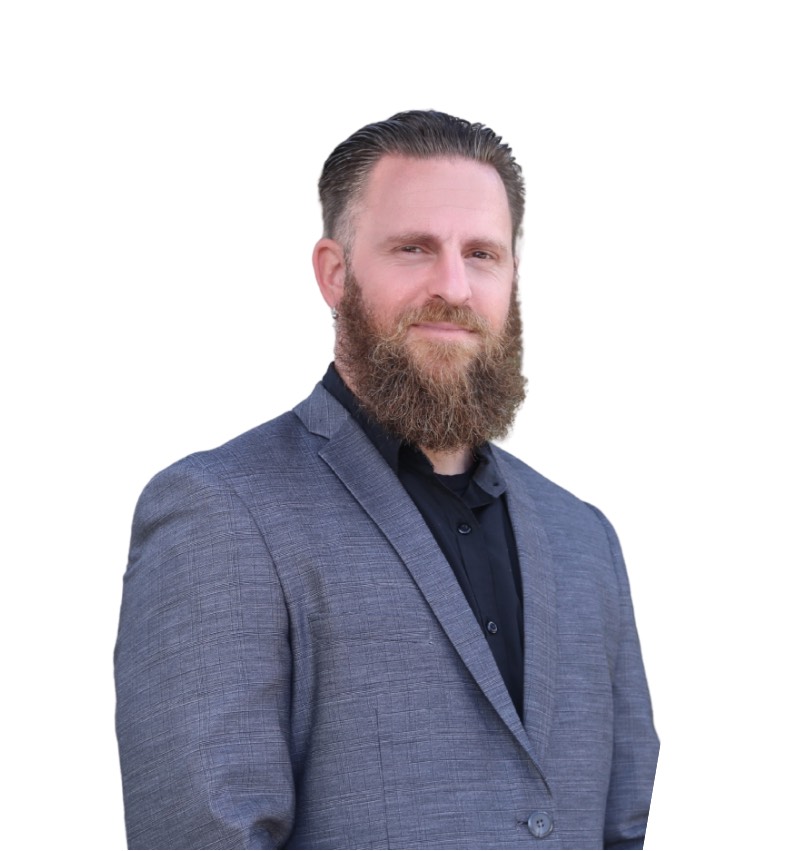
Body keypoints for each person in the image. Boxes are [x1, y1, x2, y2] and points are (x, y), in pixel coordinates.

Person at [115, 110, 658, 850]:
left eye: (482, 254)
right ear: (335, 273)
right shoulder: (219, 513)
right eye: (413, 249)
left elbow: (624, 826)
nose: (454, 286)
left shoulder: (586, 539)